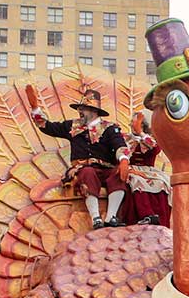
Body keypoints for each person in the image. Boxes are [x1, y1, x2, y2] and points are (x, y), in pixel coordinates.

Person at [31, 87, 128, 227]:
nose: (80, 111)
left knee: (118, 175)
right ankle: (96, 218)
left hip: (106, 169)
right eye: (80, 108)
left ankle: (110, 217)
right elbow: (48, 127)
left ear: (94, 111)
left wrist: (124, 161)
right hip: (83, 169)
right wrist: (35, 109)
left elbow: (120, 144)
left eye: (84, 108)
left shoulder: (110, 128)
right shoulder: (73, 126)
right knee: (88, 173)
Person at [117, 110, 171, 226]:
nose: (131, 124)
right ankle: (145, 214)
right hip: (132, 170)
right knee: (136, 181)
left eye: (135, 122)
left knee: (161, 183)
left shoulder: (150, 139)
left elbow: (155, 148)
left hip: (149, 170)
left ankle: (160, 219)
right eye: (132, 122)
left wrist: (140, 133)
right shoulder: (125, 138)